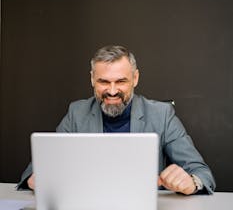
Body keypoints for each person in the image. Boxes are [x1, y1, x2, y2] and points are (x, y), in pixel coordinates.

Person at [18, 45, 216, 194]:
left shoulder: (162, 114)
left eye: (121, 81)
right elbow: (35, 169)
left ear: (135, 78)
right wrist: (35, 178)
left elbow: (202, 173)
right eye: (103, 81)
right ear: (92, 79)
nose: (112, 91)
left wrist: (192, 182)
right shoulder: (77, 112)